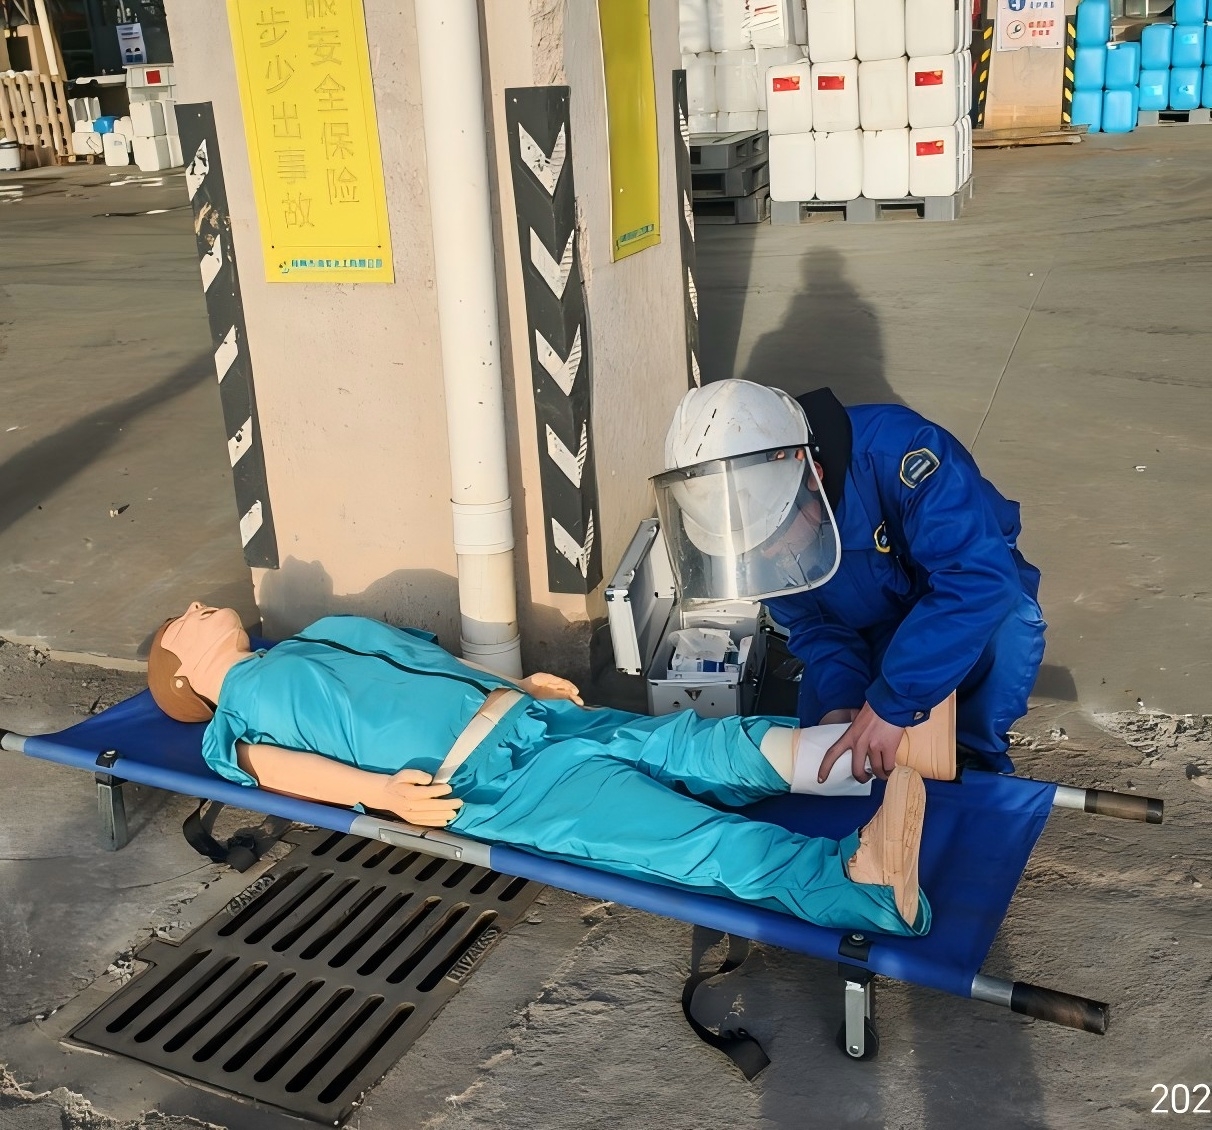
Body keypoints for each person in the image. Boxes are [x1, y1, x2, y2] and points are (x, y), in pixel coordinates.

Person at [146, 602, 956, 938]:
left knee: (686, 745)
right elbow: (278, 768)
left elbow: (431, 666)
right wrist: (378, 795)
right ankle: (861, 882)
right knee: (672, 835)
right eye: (182, 622)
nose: (197, 607)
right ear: (185, 678)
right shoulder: (234, 720)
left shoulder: (314, 633)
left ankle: (870, 754)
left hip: (529, 716)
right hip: (485, 782)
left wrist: (518, 685)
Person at [655, 379, 1045, 782]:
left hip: (954, 601)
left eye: (769, 537)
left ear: (813, 477)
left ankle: (972, 756)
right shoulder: (760, 527)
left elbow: (978, 579)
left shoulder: (901, 451)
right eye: (745, 549)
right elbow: (814, 624)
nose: (765, 556)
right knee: (831, 755)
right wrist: (841, 701)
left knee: (1011, 621)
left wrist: (893, 703)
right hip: (867, 628)